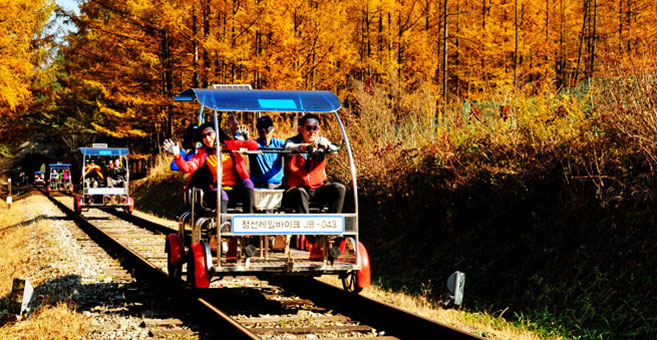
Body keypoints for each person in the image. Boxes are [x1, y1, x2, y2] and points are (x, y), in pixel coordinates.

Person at [163, 122, 258, 213]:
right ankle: (223, 225)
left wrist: (247, 140)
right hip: (216, 190)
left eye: (209, 133)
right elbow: (187, 168)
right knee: (221, 194)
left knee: (248, 183)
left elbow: (254, 147)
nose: (207, 138)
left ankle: (247, 218)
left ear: (216, 133)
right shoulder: (203, 154)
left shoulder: (230, 146)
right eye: (204, 136)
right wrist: (177, 155)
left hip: (235, 189)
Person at [283, 113, 346, 213]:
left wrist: (326, 147)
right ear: (301, 129)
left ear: (319, 129)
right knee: (300, 193)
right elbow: (288, 148)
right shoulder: (293, 141)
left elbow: (335, 150)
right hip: (297, 188)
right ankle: (306, 226)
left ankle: (332, 222)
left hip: (317, 188)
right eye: (308, 128)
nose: (312, 132)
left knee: (339, 189)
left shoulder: (321, 142)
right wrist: (301, 148)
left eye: (315, 128)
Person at [249, 116, 285, 189]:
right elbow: (240, 143)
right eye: (260, 127)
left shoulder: (279, 143)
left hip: (277, 185)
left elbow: (291, 147)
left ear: (272, 128)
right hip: (258, 185)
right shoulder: (254, 144)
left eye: (266, 127)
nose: (263, 130)